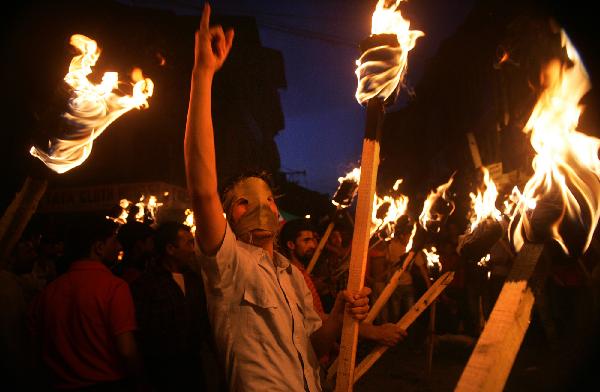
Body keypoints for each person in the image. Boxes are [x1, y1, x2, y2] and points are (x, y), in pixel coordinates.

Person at [184, 4, 370, 390]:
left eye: (268, 199)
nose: (260, 207)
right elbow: (202, 190)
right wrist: (203, 74)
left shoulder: (292, 276)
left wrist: (338, 314)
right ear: (229, 218)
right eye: (242, 202)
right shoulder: (228, 265)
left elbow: (315, 343)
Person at [30, 215, 145, 391]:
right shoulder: (114, 287)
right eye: (114, 242)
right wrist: (140, 383)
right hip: (107, 384)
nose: (120, 247)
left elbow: (34, 344)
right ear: (99, 247)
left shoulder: (49, 290)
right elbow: (127, 350)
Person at [280, 219, 407, 349]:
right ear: (291, 245)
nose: (313, 245)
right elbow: (315, 316)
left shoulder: (301, 272)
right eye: (306, 240)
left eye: (313, 239)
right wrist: (374, 332)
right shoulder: (290, 275)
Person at [131, 222, 213, 391]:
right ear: (170, 249)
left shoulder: (194, 280)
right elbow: (142, 333)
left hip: (194, 368)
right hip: (163, 374)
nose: (193, 249)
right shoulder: (147, 285)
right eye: (189, 243)